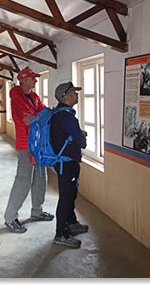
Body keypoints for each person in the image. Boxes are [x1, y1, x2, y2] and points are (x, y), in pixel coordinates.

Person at [4, 67, 54, 233]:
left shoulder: (34, 96)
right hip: (26, 144)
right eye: (32, 78)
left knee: (41, 177)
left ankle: (36, 211)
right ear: (24, 80)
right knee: (23, 179)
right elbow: (27, 120)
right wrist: (42, 115)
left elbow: (44, 113)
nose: (35, 80)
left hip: (39, 143)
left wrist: (41, 115)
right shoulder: (16, 97)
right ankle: (10, 217)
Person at [50, 81, 89, 248]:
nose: (77, 95)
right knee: (66, 198)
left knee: (70, 194)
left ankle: (71, 222)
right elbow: (82, 143)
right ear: (66, 96)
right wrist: (81, 136)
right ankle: (61, 234)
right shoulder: (68, 118)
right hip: (68, 163)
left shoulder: (58, 114)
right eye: (74, 92)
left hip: (62, 162)